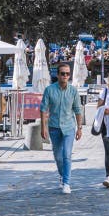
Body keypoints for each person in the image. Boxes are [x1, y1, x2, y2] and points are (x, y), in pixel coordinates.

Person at [40, 63, 83, 194]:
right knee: (58, 157)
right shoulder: (49, 90)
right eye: (63, 73)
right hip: (54, 127)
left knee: (67, 155)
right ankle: (62, 175)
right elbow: (43, 109)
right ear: (58, 75)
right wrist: (43, 127)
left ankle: (66, 183)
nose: (65, 76)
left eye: (67, 74)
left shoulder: (73, 91)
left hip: (69, 127)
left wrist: (79, 128)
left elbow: (77, 110)